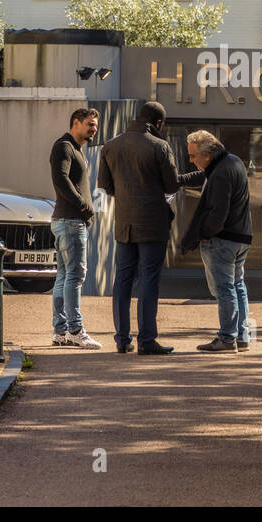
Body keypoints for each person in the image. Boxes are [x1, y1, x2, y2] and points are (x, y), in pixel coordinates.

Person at [98, 101, 180, 354]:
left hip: (124, 223)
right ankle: (146, 340)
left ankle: (122, 339)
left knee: (122, 279)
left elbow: (106, 187)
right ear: (158, 124)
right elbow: (172, 185)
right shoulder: (159, 146)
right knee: (148, 280)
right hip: (153, 224)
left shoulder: (110, 146)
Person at [180, 130, 253, 353]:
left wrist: (204, 233)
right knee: (237, 286)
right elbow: (205, 178)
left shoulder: (220, 173)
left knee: (224, 289)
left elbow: (218, 212)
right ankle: (241, 336)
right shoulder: (233, 162)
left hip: (223, 240)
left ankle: (227, 338)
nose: (191, 161)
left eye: (193, 156)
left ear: (207, 155)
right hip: (241, 237)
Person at [48, 107, 101, 349]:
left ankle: (61, 332)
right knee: (75, 275)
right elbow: (61, 180)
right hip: (70, 222)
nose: (93, 128)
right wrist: (84, 207)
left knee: (64, 275)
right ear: (76, 123)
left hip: (67, 221)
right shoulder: (64, 146)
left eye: (95, 125)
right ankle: (75, 330)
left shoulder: (75, 149)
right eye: (90, 124)